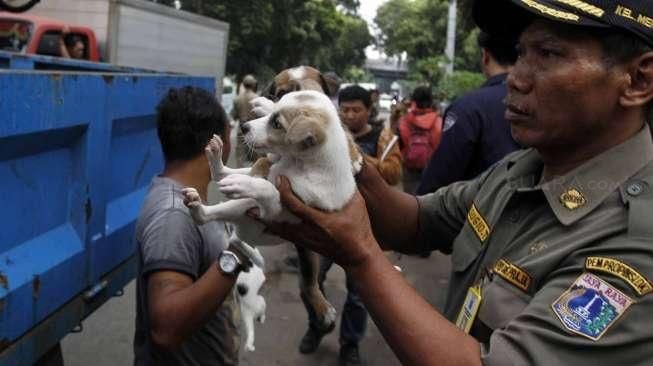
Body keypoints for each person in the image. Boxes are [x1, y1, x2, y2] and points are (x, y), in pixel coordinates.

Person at [259, 0, 653, 364]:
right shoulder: (521, 170)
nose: (515, 78)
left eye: (549, 54)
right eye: (520, 53)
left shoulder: (636, 242)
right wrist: (339, 157)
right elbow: (417, 221)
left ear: (637, 80)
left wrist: (359, 254)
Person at [134, 86, 253, 365]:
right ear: (218, 142)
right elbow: (166, 329)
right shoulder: (174, 214)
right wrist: (238, 250)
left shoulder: (189, 200)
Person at [298, 84, 402, 366]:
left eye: (356, 109)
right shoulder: (325, 132)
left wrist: (354, 155)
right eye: (344, 110)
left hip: (365, 228)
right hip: (327, 223)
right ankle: (318, 324)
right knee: (312, 281)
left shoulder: (385, 137)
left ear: (369, 110)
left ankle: (350, 344)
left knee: (358, 294)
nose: (349, 115)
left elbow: (393, 173)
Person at [417, 31, 520, 196]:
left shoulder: (468, 107)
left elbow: (440, 177)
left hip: (475, 212)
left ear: (485, 56)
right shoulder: (544, 104)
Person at [398, 86, 442, 193]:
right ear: (431, 101)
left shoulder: (404, 121)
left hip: (409, 167)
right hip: (432, 168)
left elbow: (399, 144)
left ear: (414, 101)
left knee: (410, 201)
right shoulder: (439, 122)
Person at [231, 74, 261, 167]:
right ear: (253, 85)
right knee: (256, 156)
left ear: (243, 85)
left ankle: (239, 176)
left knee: (240, 157)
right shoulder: (257, 98)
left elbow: (234, 116)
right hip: (254, 131)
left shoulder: (237, 99)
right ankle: (256, 176)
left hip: (241, 130)